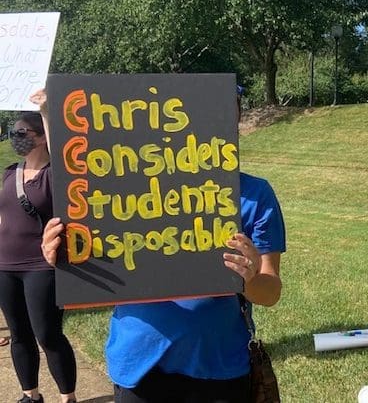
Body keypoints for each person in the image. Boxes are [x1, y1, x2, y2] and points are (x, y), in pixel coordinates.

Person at [40, 88, 286, 403]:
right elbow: (92, 255)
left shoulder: (254, 195)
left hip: (219, 365)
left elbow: (271, 292)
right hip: (138, 364)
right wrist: (62, 255)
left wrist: (250, 279)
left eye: (222, 117)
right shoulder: (121, 186)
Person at [0, 95, 78, 403]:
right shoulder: (10, 172)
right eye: (12, 133)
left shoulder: (55, 175)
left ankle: (67, 396)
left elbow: (61, 146)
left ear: (43, 137)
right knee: (19, 335)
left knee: (47, 335)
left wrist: (46, 110)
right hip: (5, 265)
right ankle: (30, 395)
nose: (14, 139)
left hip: (40, 267)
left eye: (22, 134)